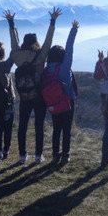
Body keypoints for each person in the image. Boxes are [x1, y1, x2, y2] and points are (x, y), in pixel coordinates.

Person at [4, 7, 62, 164]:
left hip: (23, 95)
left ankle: (23, 155)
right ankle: (38, 155)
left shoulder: (16, 54)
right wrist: (53, 21)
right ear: (35, 43)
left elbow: (13, 41)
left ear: (24, 42)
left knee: (22, 125)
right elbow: (49, 40)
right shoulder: (40, 56)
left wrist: (11, 22)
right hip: (38, 95)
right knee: (38, 125)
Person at [43, 20, 79, 165]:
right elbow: (69, 47)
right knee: (66, 129)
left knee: (56, 129)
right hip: (68, 101)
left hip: (52, 104)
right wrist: (74, 29)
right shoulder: (64, 68)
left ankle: (55, 154)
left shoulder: (46, 71)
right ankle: (65, 154)